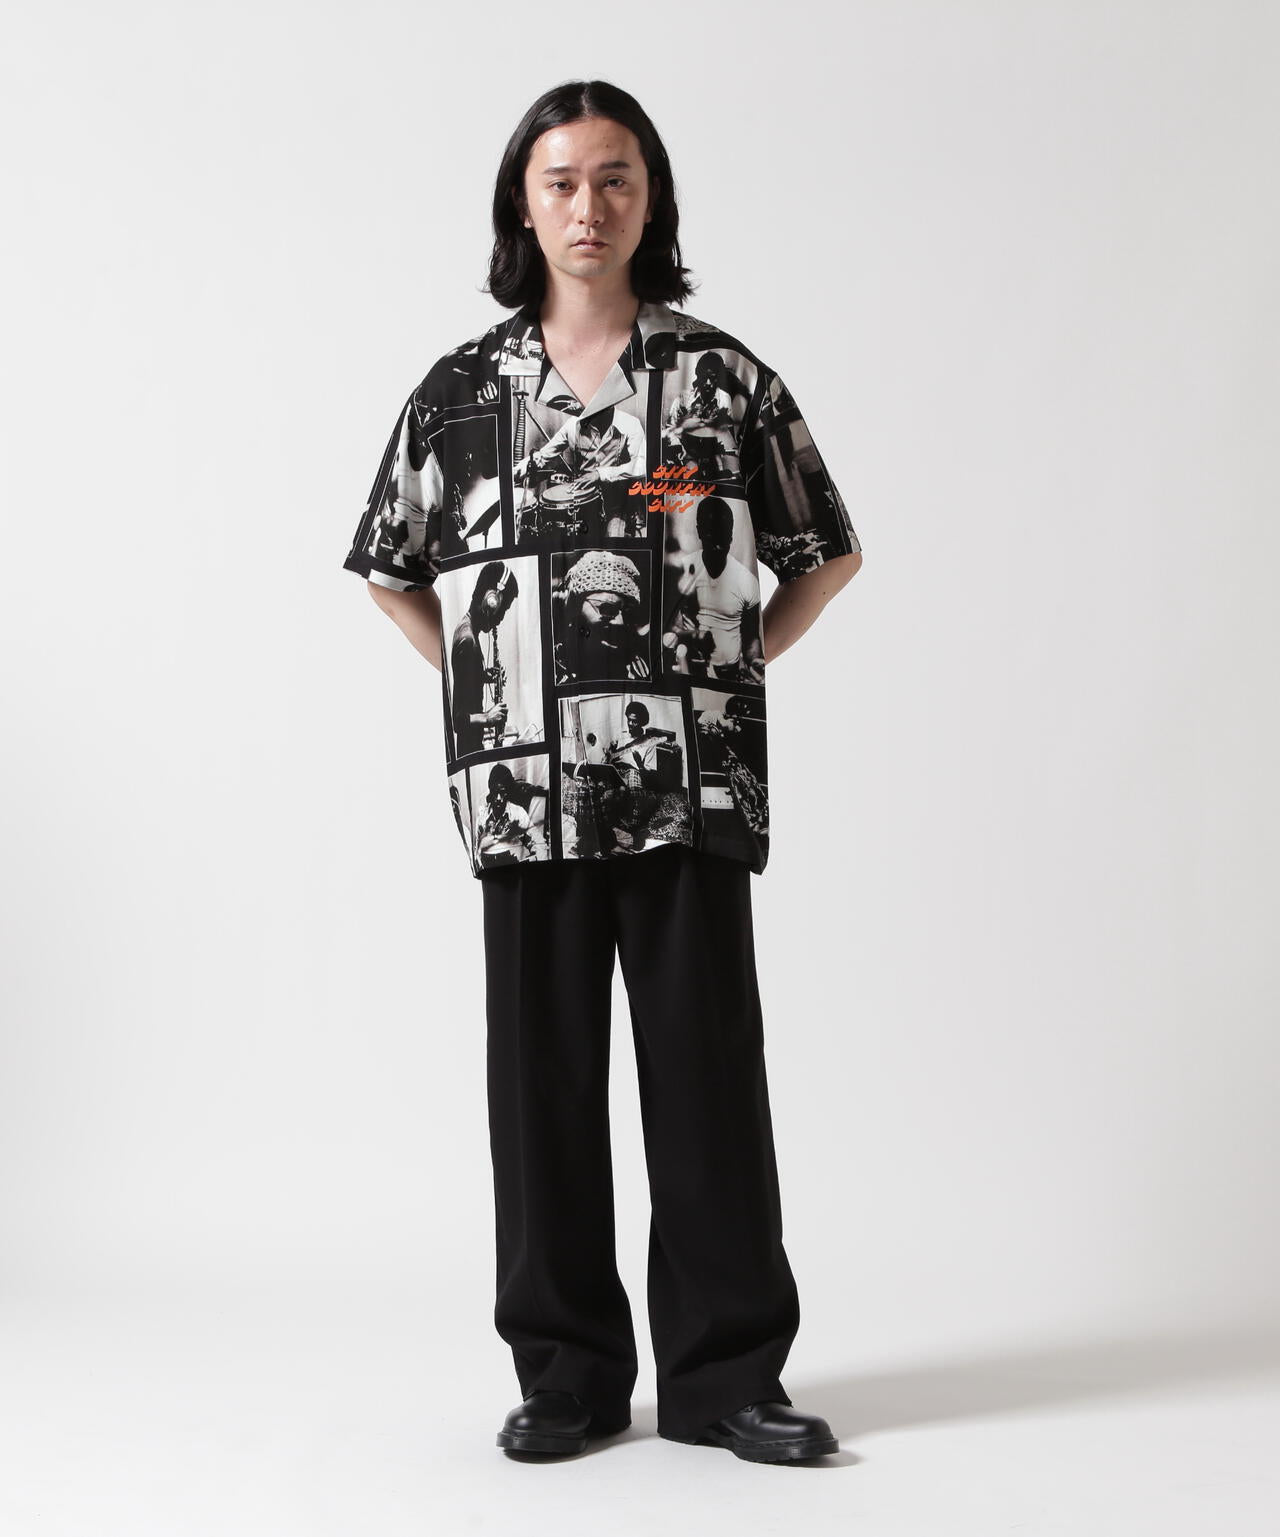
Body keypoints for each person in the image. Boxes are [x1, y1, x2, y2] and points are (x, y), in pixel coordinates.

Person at [342, 79, 863, 1464]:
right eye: (562, 181)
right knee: (545, 1090)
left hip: (690, 781)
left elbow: (825, 553)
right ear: (523, 203)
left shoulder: (723, 381)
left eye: (617, 178)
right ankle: (566, 1374)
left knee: (707, 1081)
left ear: (652, 199)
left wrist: (728, 667)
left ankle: (725, 1376)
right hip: (524, 793)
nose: (590, 206)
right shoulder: (459, 395)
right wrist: (484, 682)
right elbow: (392, 569)